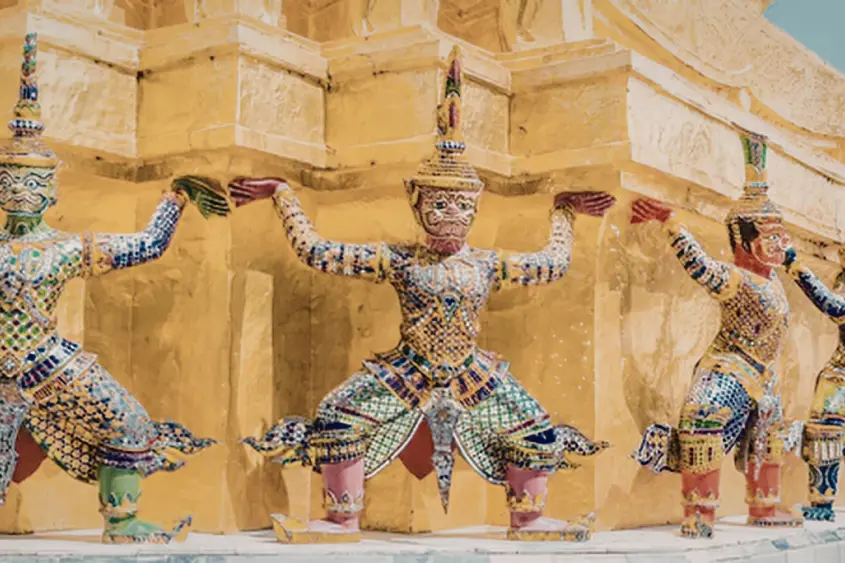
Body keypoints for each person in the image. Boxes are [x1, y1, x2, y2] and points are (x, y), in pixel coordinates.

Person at [233, 46, 613, 543]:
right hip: (406, 371)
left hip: (473, 374)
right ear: (417, 202)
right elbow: (317, 252)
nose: (451, 213)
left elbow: (553, 264)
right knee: (336, 417)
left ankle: (529, 518)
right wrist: (284, 195)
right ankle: (341, 519)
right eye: (439, 203)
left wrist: (563, 212)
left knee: (535, 429)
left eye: (461, 205)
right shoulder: (398, 259)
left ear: (475, 208)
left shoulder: (487, 264)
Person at [0, 33, 228, 544]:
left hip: (44, 363)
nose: (20, 191)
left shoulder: (65, 247)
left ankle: (122, 522)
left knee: (129, 424)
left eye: (32, 183)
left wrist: (176, 197)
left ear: (52, 191)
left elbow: (147, 245)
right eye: (10, 181)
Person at [632, 127, 803, 538]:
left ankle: (764, 506)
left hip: (763, 374)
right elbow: (701, 267)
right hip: (728, 369)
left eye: (782, 237)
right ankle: (699, 512)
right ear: (743, 240)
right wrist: (671, 222)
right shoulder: (737, 278)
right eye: (771, 237)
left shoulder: (773, 280)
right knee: (702, 422)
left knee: (769, 436)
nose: (780, 245)